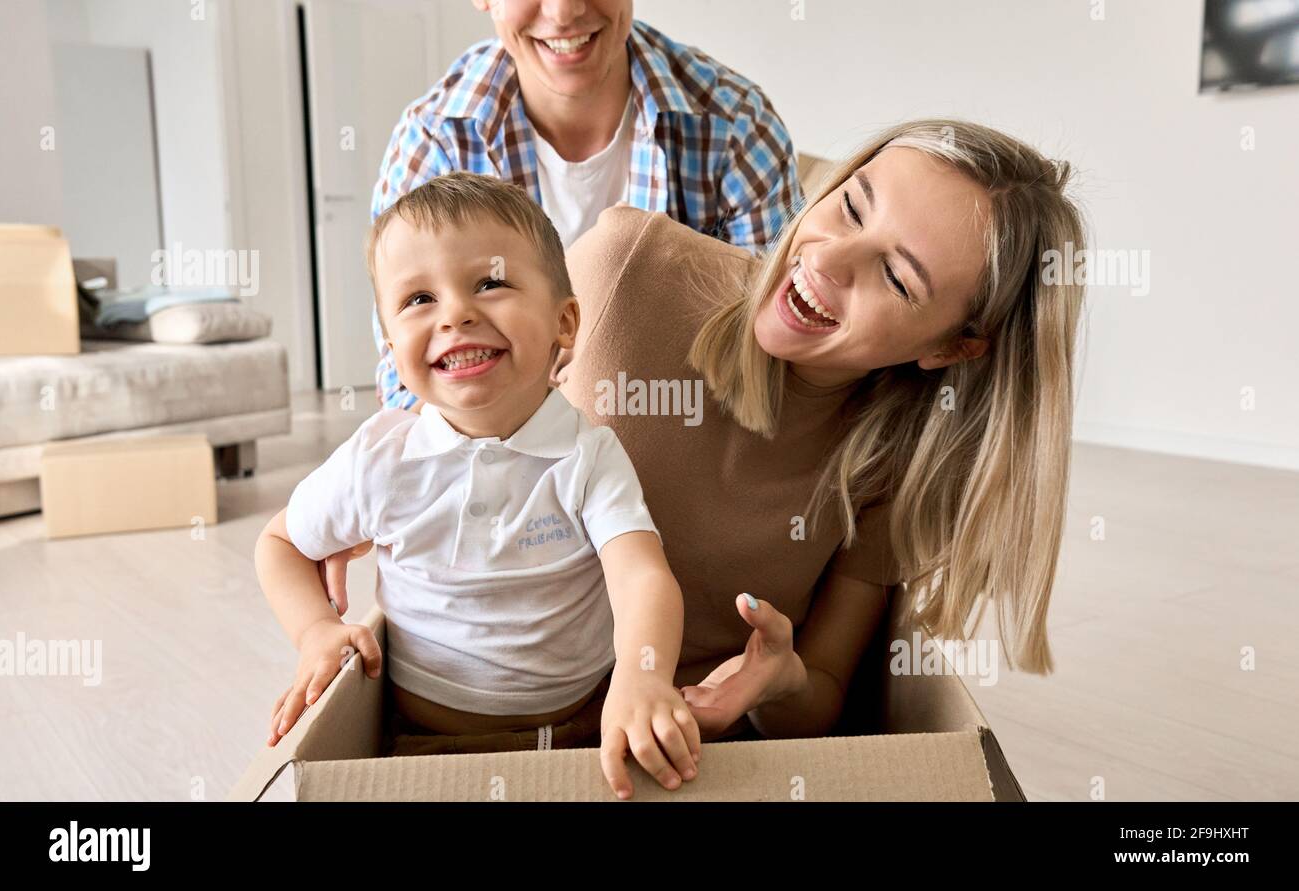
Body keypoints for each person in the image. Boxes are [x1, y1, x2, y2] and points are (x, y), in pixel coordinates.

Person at [325, 118, 1089, 744]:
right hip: (485, 724)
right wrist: (396, 486)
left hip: (684, 762)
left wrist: (780, 679)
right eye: (852, 206)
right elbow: (462, 379)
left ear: (951, 348)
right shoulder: (630, 271)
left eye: (897, 276)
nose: (829, 259)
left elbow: (821, 694)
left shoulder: (893, 466)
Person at [256, 173, 699, 798]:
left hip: (583, 731)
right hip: (422, 743)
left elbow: (641, 575)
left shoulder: (587, 455)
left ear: (563, 322)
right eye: (417, 300)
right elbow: (280, 544)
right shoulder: (381, 462)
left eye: (490, 283)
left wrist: (642, 673)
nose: (456, 314)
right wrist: (315, 632)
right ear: (391, 347)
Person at [371, 0, 801, 410]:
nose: (565, 12)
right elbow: (406, 380)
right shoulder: (435, 140)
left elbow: (772, 357)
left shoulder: (735, 126)